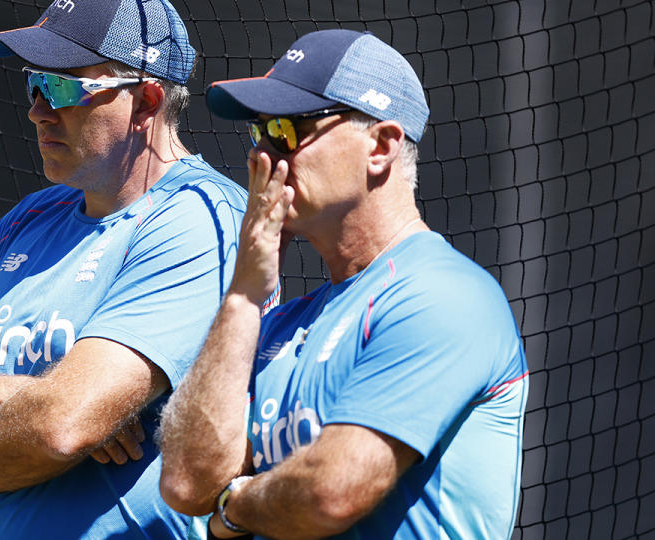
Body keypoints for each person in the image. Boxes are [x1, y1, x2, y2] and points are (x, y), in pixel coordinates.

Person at [0, 0, 250, 538]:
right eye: (35, 85)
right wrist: (7, 394)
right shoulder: (27, 220)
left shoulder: (201, 218)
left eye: (65, 88)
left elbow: (61, 427)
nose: (39, 110)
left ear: (147, 101)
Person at [158, 29, 529, 539]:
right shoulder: (277, 324)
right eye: (258, 133)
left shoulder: (445, 295)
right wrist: (245, 292)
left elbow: (330, 492)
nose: (264, 157)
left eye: (287, 130)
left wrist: (235, 504)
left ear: (380, 147)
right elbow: (184, 482)